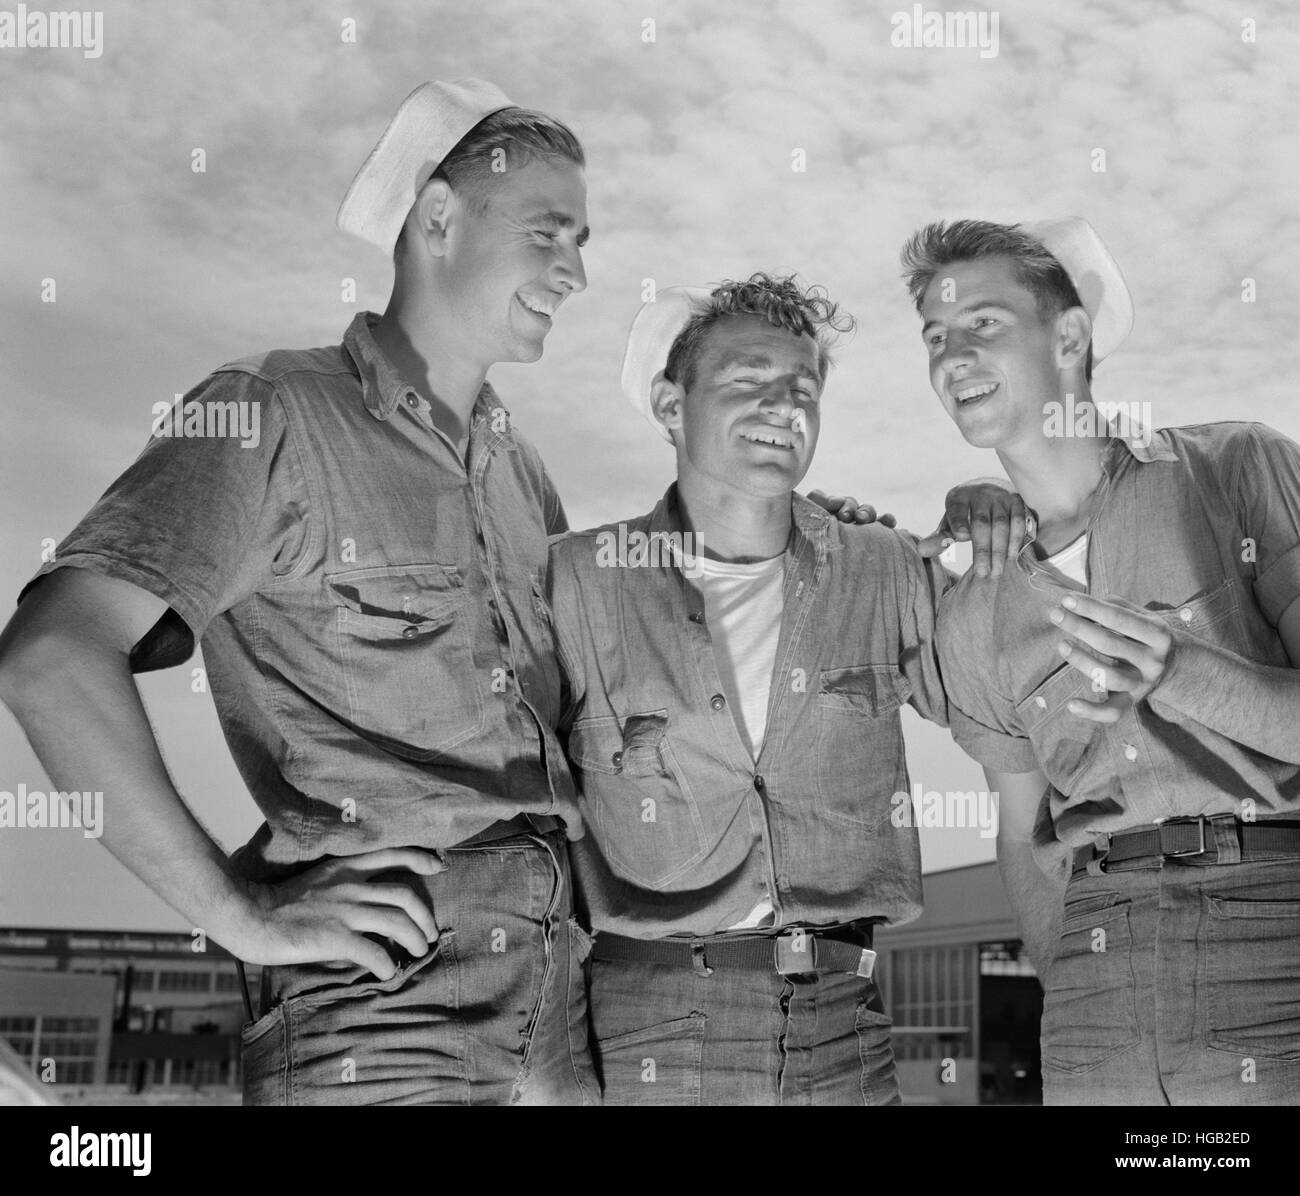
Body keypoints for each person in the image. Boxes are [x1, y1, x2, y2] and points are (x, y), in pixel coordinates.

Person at [0, 78, 598, 1105]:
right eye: (550, 232)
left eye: (582, 240)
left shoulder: (521, 472)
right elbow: (52, 657)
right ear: (438, 218)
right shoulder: (271, 414)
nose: (577, 270)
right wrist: (240, 914)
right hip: (384, 1005)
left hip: (559, 1001)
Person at [547, 273, 1018, 1104]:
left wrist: (997, 529)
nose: (783, 406)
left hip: (848, 1027)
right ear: (669, 407)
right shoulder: (576, 582)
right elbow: (525, 809)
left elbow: (1005, 706)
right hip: (652, 1034)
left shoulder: (878, 566)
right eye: (746, 382)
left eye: (802, 389)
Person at [905, 216, 1300, 1105]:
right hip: (1093, 980)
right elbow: (1018, 830)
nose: (952, 355)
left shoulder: (1236, 470)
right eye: (936, 336)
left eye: (982, 325)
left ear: (1071, 336)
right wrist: (1070, 984)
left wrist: (1185, 672)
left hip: (1273, 939)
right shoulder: (971, 610)